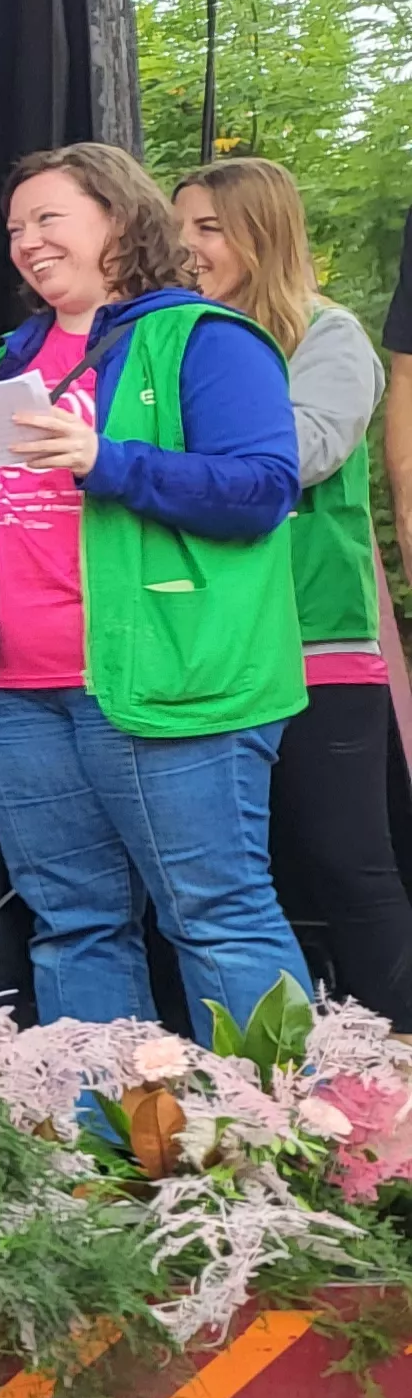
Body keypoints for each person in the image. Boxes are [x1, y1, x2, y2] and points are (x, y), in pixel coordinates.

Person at [0, 143, 310, 1029]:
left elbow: (265, 490)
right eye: (14, 228)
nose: (26, 242)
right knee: (71, 925)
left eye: (48, 219)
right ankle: (102, 1150)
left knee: (216, 917)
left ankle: (285, 1152)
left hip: (167, 680)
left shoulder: (205, 337)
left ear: (119, 219)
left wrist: (106, 460)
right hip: (18, 686)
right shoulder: (8, 358)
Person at [177, 156, 408, 1019]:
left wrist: (166, 458)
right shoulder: (181, 337)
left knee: (350, 864)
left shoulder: (327, 333)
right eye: (182, 228)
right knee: (239, 876)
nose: (189, 246)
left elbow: (304, 453)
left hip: (315, 638)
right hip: (212, 645)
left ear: (260, 231)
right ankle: (274, 1083)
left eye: (208, 227)